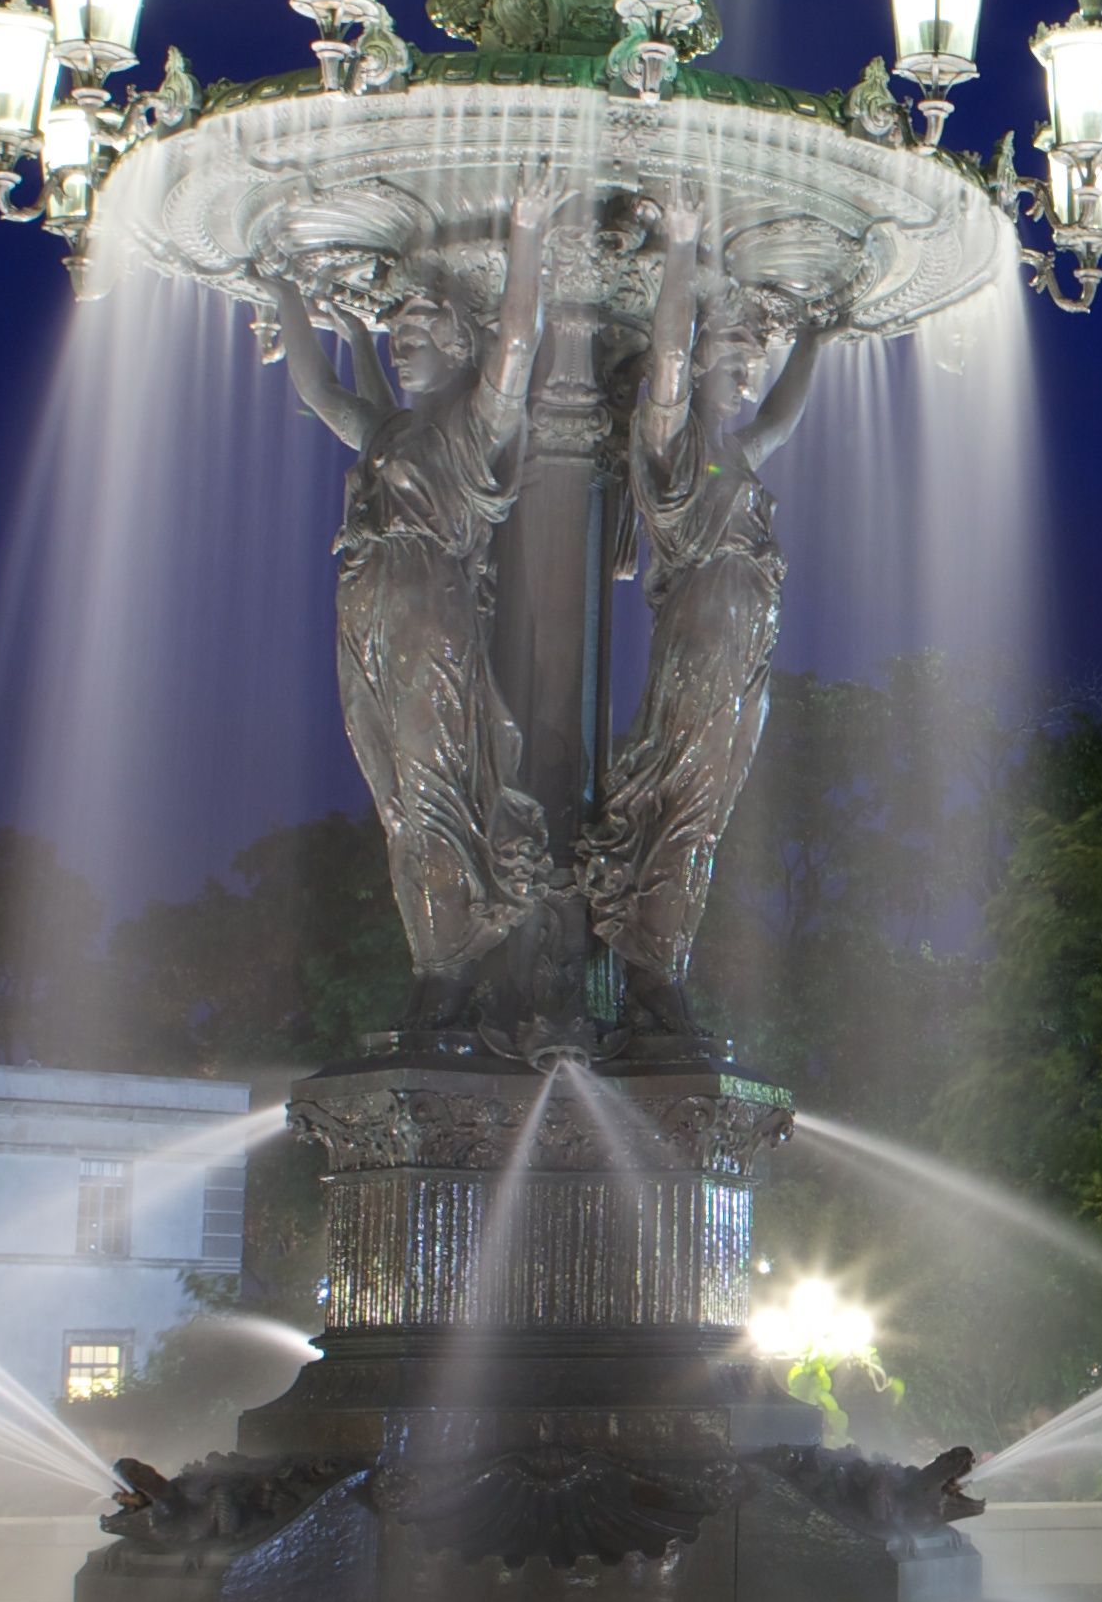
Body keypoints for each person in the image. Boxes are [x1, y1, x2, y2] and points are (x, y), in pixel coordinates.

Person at [284, 182, 564, 1049]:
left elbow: (516, 345)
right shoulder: (388, 434)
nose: (403, 348)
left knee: (436, 791)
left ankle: (451, 968)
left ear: (456, 339)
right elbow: (318, 390)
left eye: (418, 335)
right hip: (367, 620)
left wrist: (525, 235)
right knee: (400, 799)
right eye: (395, 337)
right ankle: (438, 961)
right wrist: (282, 288)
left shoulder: (473, 428)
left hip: (430, 621)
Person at [584, 198, 827, 1051]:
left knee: (705, 811)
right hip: (700, 650)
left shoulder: (731, 455)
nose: (747, 376)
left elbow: (779, 420)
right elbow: (664, 364)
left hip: (740, 658)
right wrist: (682, 250)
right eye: (733, 361)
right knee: (682, 810)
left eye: (752, 365)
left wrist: (817, 342)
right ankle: (652, 971)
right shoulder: (672, 445)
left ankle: (660, 965)